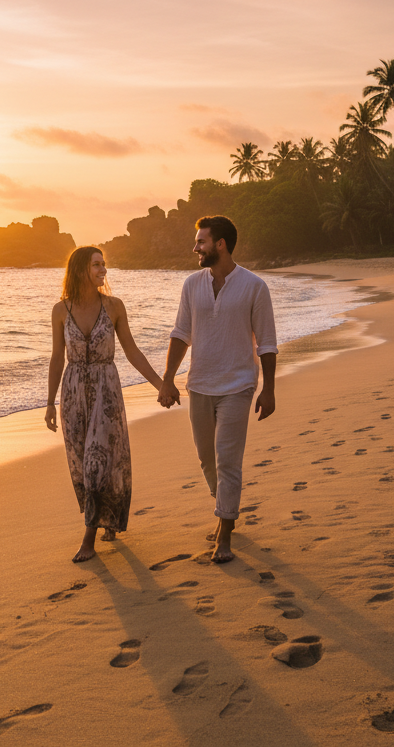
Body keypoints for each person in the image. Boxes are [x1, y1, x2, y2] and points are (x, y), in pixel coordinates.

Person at [157, 216, 278, 564]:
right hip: (200, 384)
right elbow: (181, 334)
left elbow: (267, 344)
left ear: (220, 244)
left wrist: (268, 389)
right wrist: (168, 378)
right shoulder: (191, 285)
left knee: (227, 459)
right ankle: (227, 506)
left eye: (201, 242)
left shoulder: (254, 287)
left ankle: (224, 531)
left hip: (238, 386)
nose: (195, 248)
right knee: (205, 458)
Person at [46, 246, 164, 563]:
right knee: (82, 466)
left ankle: (89, 539)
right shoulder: (60, 310)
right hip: (72, 393)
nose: (103, 270)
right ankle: (105, 517)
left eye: (104, 264)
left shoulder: (114, 307)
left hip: (105, 390)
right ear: (81, 269)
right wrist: (49, 403)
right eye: (97, 265)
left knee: (98, 461)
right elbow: (57, 358)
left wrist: (160, 383)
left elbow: (133, 352)